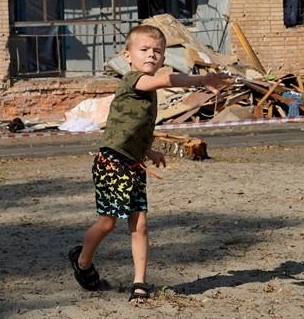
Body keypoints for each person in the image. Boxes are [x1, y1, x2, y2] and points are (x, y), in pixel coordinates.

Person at [68, 24, 232, 301]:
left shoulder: (148, 90)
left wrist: (149, 150)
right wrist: (202, 81)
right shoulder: (135, 80)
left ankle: (139, 283)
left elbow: (131, 127)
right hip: (110, 165)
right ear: (127, 55)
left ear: (164, 56)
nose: (151, 55)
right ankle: (82, 261)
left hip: (133, 166)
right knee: (107, 223)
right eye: (144, 50)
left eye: (157, 51)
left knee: (140, 224)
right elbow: (167, 80)